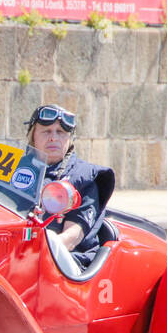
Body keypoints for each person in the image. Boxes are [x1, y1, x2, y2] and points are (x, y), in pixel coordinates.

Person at [26, 103, 115, 268]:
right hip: (17, 254)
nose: (53, 138)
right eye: (46, 131)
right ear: (33, 136)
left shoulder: (85, 177)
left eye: (60, 132)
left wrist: (29, 253)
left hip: (63, 261)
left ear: (69, 138)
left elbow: (71, 238)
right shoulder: (15, 170)